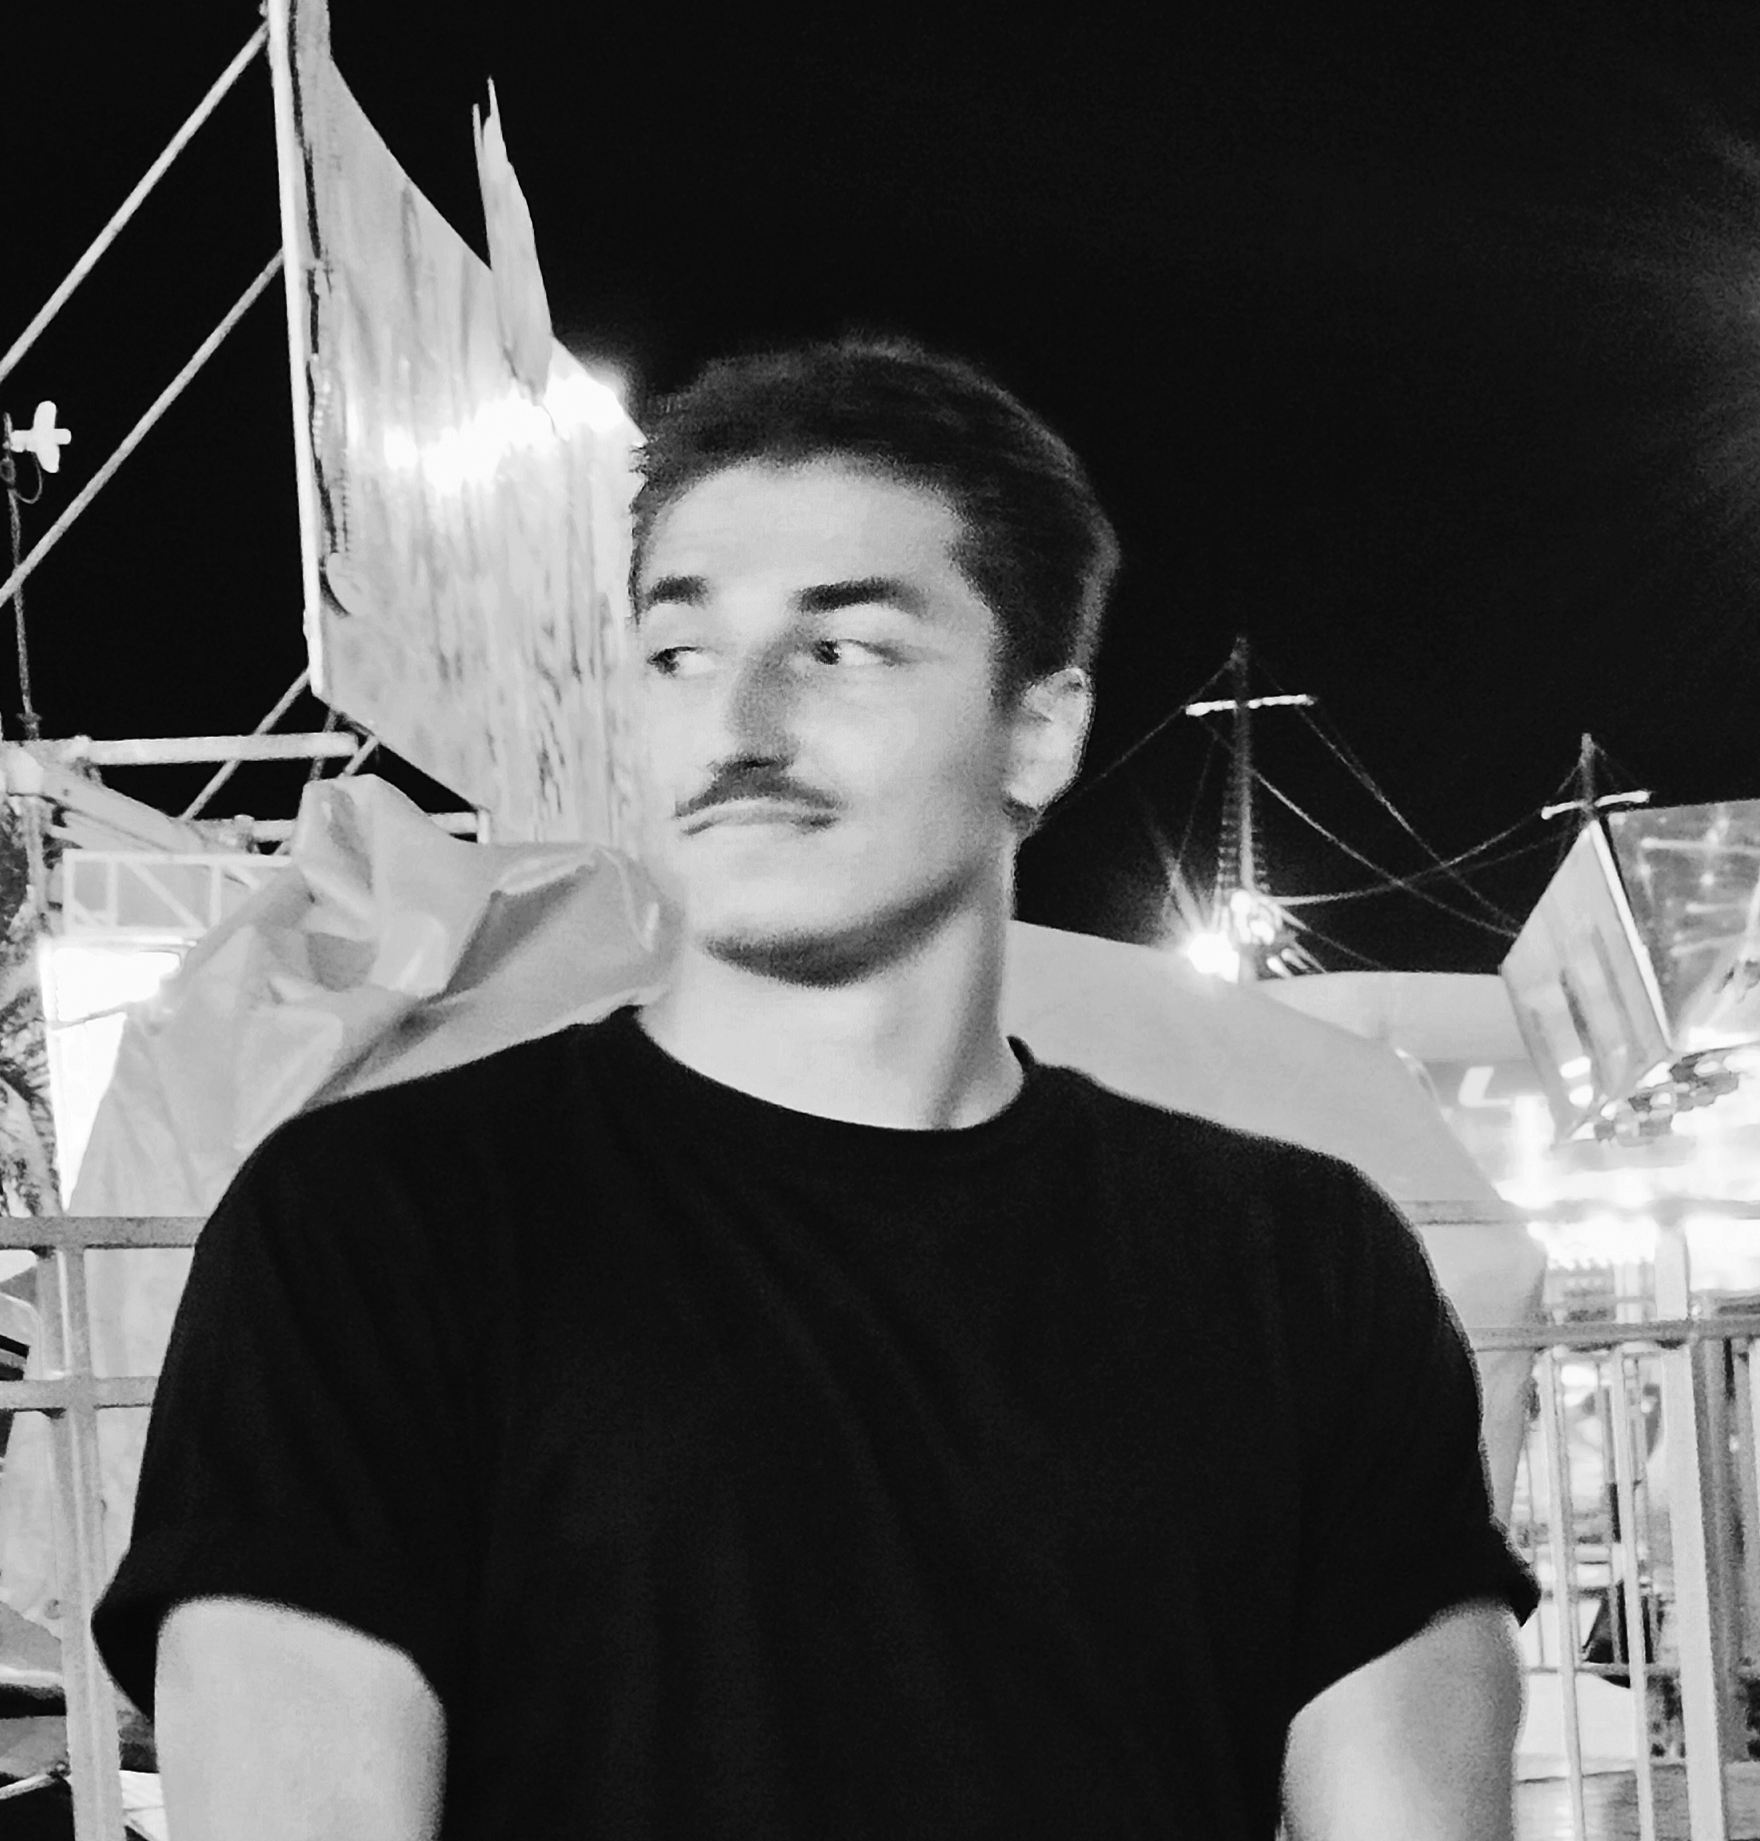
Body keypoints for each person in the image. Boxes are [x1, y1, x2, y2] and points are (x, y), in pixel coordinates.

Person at [92, 336, 1538, 1840]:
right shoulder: (371, 1231)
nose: (741, 725)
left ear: (1039, 728)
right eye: (681, 655)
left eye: (842, 649)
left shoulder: (1302, 1265)